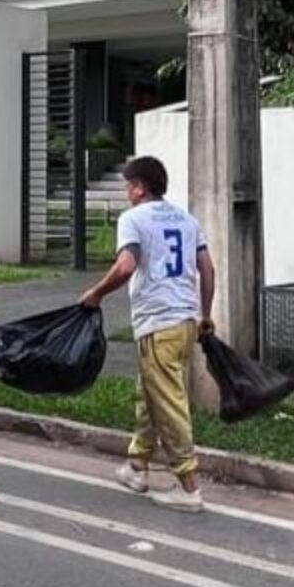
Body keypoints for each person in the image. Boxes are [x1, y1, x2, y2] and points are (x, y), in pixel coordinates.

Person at [78, 155, 214, 513]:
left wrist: (96, 294)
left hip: (158, 323)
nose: (127, 192)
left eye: (129, 185)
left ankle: (188, 487)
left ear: (140, 187)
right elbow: (207, 268)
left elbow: (126, 266)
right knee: (149, 395)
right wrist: (205, 314)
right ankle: (137, 466)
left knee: (168, 403)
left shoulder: (133, 219)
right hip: (185, 322)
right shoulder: (186, 220)